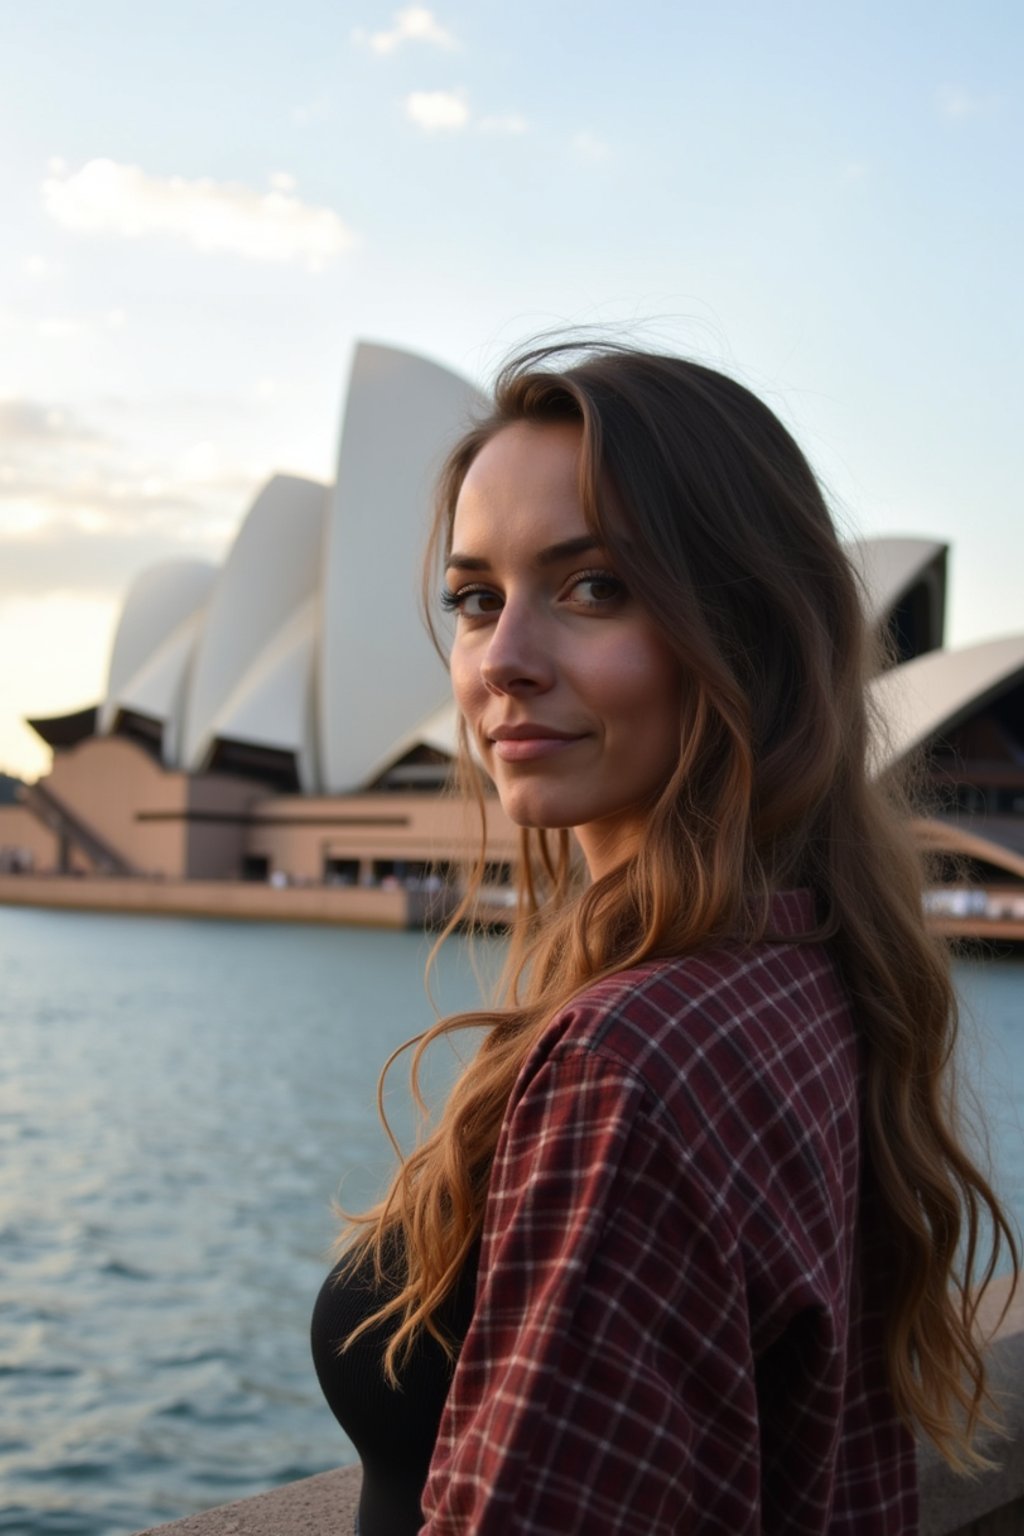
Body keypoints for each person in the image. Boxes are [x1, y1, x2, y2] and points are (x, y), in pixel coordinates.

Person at [311, 342, 1019, 1535]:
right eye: (475, 598)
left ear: (745, 634)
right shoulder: (809, 973)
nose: (504, 662)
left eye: (593, 588)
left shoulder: (628, 1059)